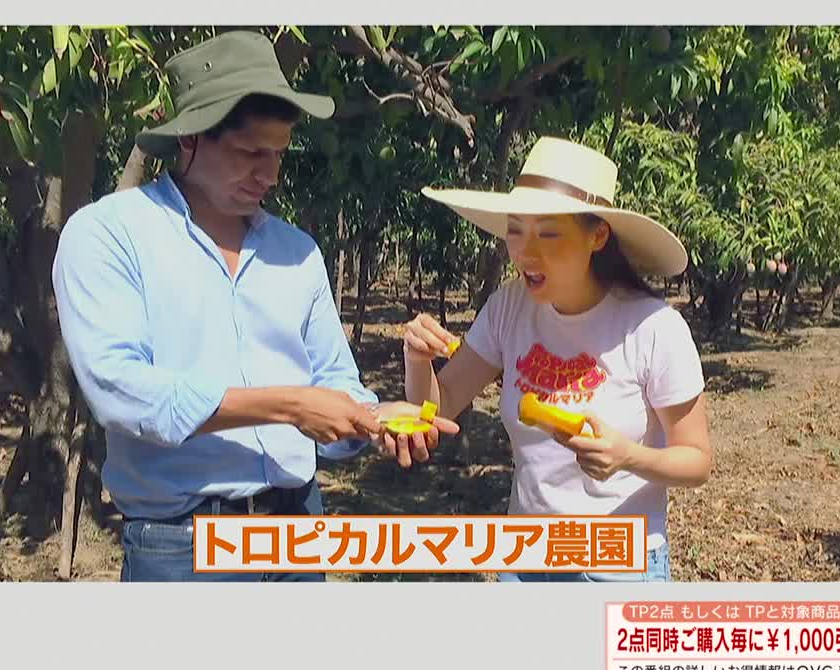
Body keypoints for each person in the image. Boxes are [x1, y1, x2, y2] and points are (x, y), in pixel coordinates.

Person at [53, 31, 456, 582]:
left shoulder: (296, 252)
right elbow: (121, 390)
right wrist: (289, 405)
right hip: (185, 544)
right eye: (250, 154)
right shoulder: (110, 234)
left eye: (279, 153)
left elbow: (333, 379)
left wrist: (372, 418)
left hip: (297, 527)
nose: (269, 174)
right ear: (190, 140)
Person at [389, 136, 711, 582]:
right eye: (516, 229)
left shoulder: (652, 327)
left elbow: (696, 460)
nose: (525, 251)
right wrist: (417, 360)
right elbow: (438, 407)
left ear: (597, 236)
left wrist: (628, 457)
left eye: (549, 232)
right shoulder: (511, 307)